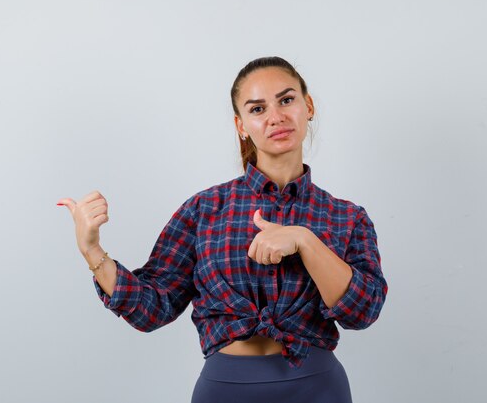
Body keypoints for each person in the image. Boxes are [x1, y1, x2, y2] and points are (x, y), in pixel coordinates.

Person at [57, 56, 388, 403]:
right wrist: (91, 249)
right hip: (226, 389)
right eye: (257, 109)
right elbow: (152, 308)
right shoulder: (204, 210)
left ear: (308, 106)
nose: (275, 116)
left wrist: (305, 240)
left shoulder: (347, 217)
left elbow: (362, 312)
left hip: (318, 387)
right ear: (241, 125)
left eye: (286, 100)